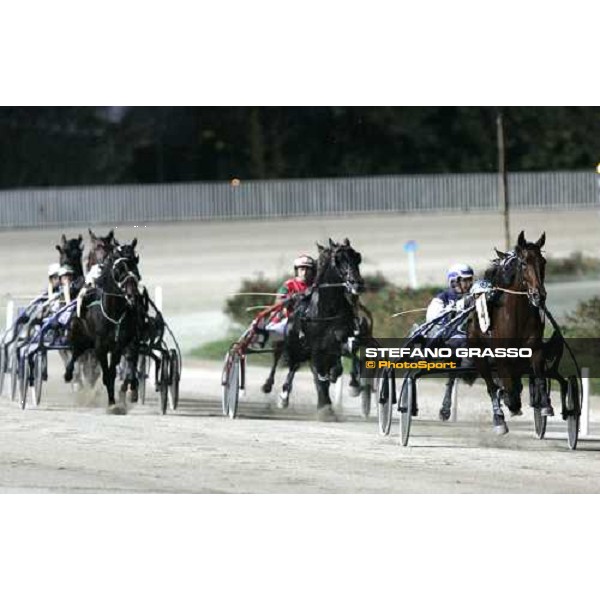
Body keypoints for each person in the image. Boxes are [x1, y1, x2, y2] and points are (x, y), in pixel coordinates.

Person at [425, 263, 474, 421]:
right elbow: (432, 319)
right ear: (454, 281)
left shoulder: (475, 296)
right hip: (448, 341)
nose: (468, 284)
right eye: (464, 280)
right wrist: (454, 308)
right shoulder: (442, 298)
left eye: (470, 280)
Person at [258, 254, 317, 341]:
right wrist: (290, 299)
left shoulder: (315, 286)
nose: (304, 273)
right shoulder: (289, 285)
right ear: (297, 271)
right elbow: (279, 301)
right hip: (288, 319)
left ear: (313, 271)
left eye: (307, 270)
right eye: (302, 269)